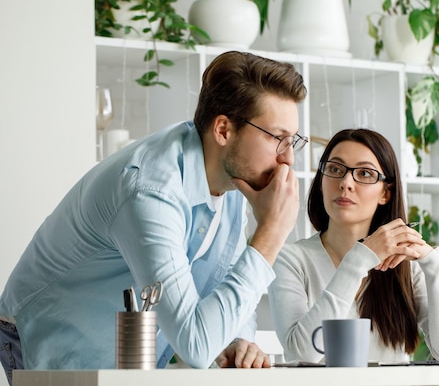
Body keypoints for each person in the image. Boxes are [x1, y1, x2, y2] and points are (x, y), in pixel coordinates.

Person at [0, 51, 308, 384]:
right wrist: (272, 231)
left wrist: (237, 339)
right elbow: (196, 344)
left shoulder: (233, 180)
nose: (287, 159)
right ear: (223, 130)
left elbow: (228, 283)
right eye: (277, 138)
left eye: (292, 141)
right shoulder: (150, 191)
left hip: (126, 357)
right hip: (50, 338)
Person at [268, 128, 439, 363]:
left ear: (386, 193)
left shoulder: (406, 267)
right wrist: (360, 259)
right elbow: (301, 356)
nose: (345, 183)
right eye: (335, 169)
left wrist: (433, 267)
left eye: (364, 173)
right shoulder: (290, 259)